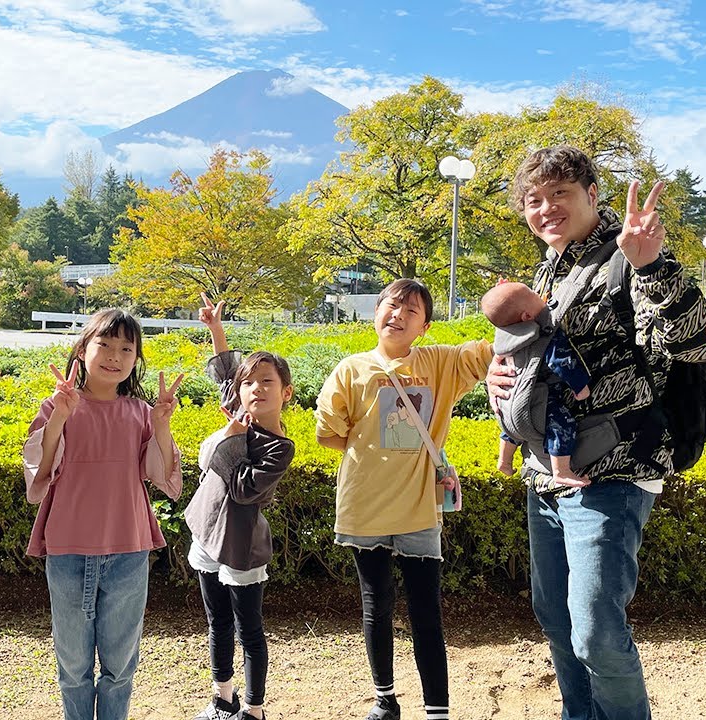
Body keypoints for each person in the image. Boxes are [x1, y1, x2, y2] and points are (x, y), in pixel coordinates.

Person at [485, 145, 706, 720]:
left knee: (594, 629)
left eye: (560, 193)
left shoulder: (624, 256)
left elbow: (695, 343)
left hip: (614, 471)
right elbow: (536, 358)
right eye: (534, 200)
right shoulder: (548, 271)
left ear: (592, 194)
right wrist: (500, 377)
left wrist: (651, 265)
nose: (546, 209)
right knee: (556, 618)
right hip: (550, 476)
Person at [315, 279, 492, 720]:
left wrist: (510, 305)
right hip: (364, 505)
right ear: (375, 313)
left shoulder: (439, 363)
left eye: (410, 311)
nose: (398, 315)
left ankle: (437, 712)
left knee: (426, 611)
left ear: (425, 327)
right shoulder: (350, 369)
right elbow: (327, 433)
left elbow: (488, 355)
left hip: (418, 509)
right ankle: (384, 700)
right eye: (391, 306)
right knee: (376, 603)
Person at [21, 308, 185, 720]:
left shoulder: (141, 412)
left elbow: (163, 476)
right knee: (73, 668)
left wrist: (162, 424)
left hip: (129, 551)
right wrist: (59, 415)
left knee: (120, 667)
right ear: (83, 349)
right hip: (68, 550)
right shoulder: (56, 406)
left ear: (136, 358)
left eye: (126, 348)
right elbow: (40, 474)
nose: (115, 355)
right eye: (105, 344)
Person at [186, 294, 296, 720]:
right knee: (217, 623)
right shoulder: (238, 411)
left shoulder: (279, 447)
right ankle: (222, 697)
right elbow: (226, 374)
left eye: (267, 382)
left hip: (242, 544)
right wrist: (216, 329)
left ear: (284, 392)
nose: (256, 388)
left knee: (249, 629)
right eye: (250, 383)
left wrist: (229, 440)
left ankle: (253, 709)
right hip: (207, 531)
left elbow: (246, 490)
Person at [480, 280, 591, 486]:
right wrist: (579, 387)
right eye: (534, 294)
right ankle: (562, 470)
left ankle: (504, 460)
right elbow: (561, 361)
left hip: (511, 402)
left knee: (511, 430)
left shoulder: (506, 336)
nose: (541, 296)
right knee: (561, 425)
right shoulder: (543, 333)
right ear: (527, 316)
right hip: (541, 397)